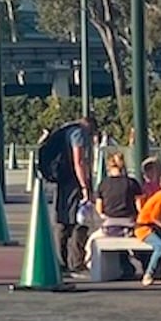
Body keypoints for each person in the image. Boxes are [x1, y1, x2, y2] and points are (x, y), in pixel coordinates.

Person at [50, 114, 97, 276]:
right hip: (74, 182)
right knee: (80, 221)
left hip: (62, 180)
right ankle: (76, 262)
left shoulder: (66, 130)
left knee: (63, 221)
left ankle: (61, 262)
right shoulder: (79, 133)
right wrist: (85, 186)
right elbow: (79, 161)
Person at [95, 152, 142, 278]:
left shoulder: (103, 184)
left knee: (92, 241)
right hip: (129, 224)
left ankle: (123, 266)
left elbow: (99, 208)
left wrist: (104, 215)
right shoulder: (132, 183)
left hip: (110, 225)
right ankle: (145, 265)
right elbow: (139, 206)